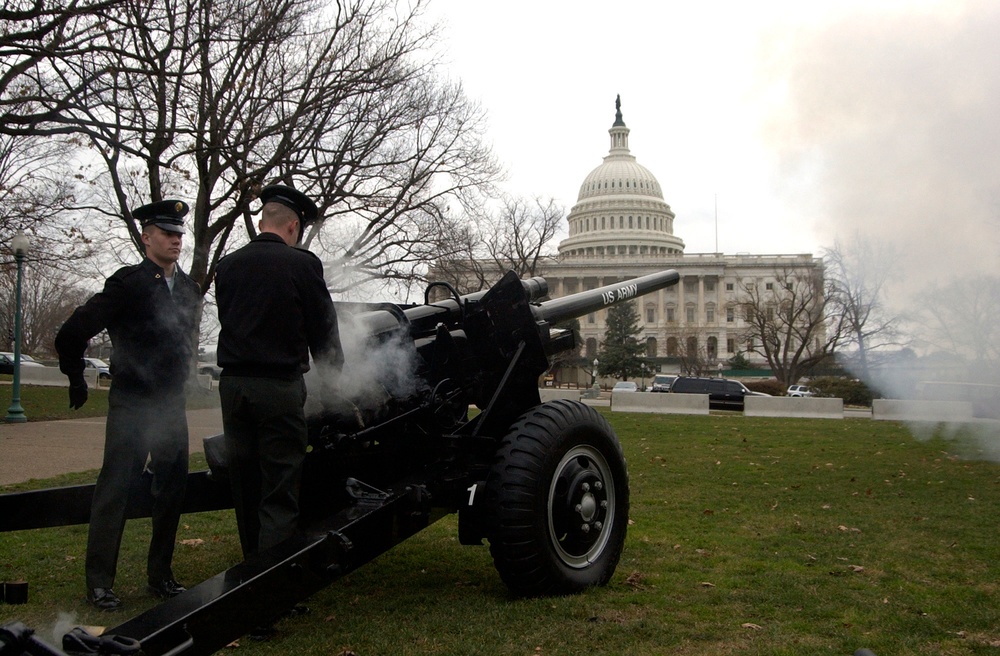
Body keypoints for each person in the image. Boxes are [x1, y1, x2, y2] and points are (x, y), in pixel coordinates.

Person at [55, 199, 201, 611]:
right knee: (115, 490)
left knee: (172, 490)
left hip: (171, 406)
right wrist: (75, 377)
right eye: (167, 232)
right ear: (146, 236)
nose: (175, 239)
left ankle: (162, 575)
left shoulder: (190, 289)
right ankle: (100, 582)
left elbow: (183, 345)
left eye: (179, 233)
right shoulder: (129, 283)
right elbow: (72, 332)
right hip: (132, 405)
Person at [214, 184, 342, 561]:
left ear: (262, 221)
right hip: (278, 389)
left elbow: (229, 320)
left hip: (234, 386)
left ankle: (250, 568)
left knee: (246, 485)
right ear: (293, 228)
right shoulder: (302, 264)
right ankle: (269, 586)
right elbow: (324, 333)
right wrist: (336, 382)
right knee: (280, 490)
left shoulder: (228, 265)